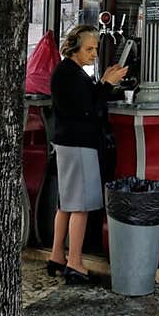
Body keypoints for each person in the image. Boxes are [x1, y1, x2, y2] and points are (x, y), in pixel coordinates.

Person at [48, 24, 128, 286]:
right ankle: (75, 262)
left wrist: (103, 81)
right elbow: (88, 109)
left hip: (67, 143)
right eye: (89, 49)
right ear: (74, 49)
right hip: (79, 143)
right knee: (80, 206)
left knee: (66, 204)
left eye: (95, 48)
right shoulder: (70, 74)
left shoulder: (68, 72)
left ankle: (58, 256)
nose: (94, 53)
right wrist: (105, 84)